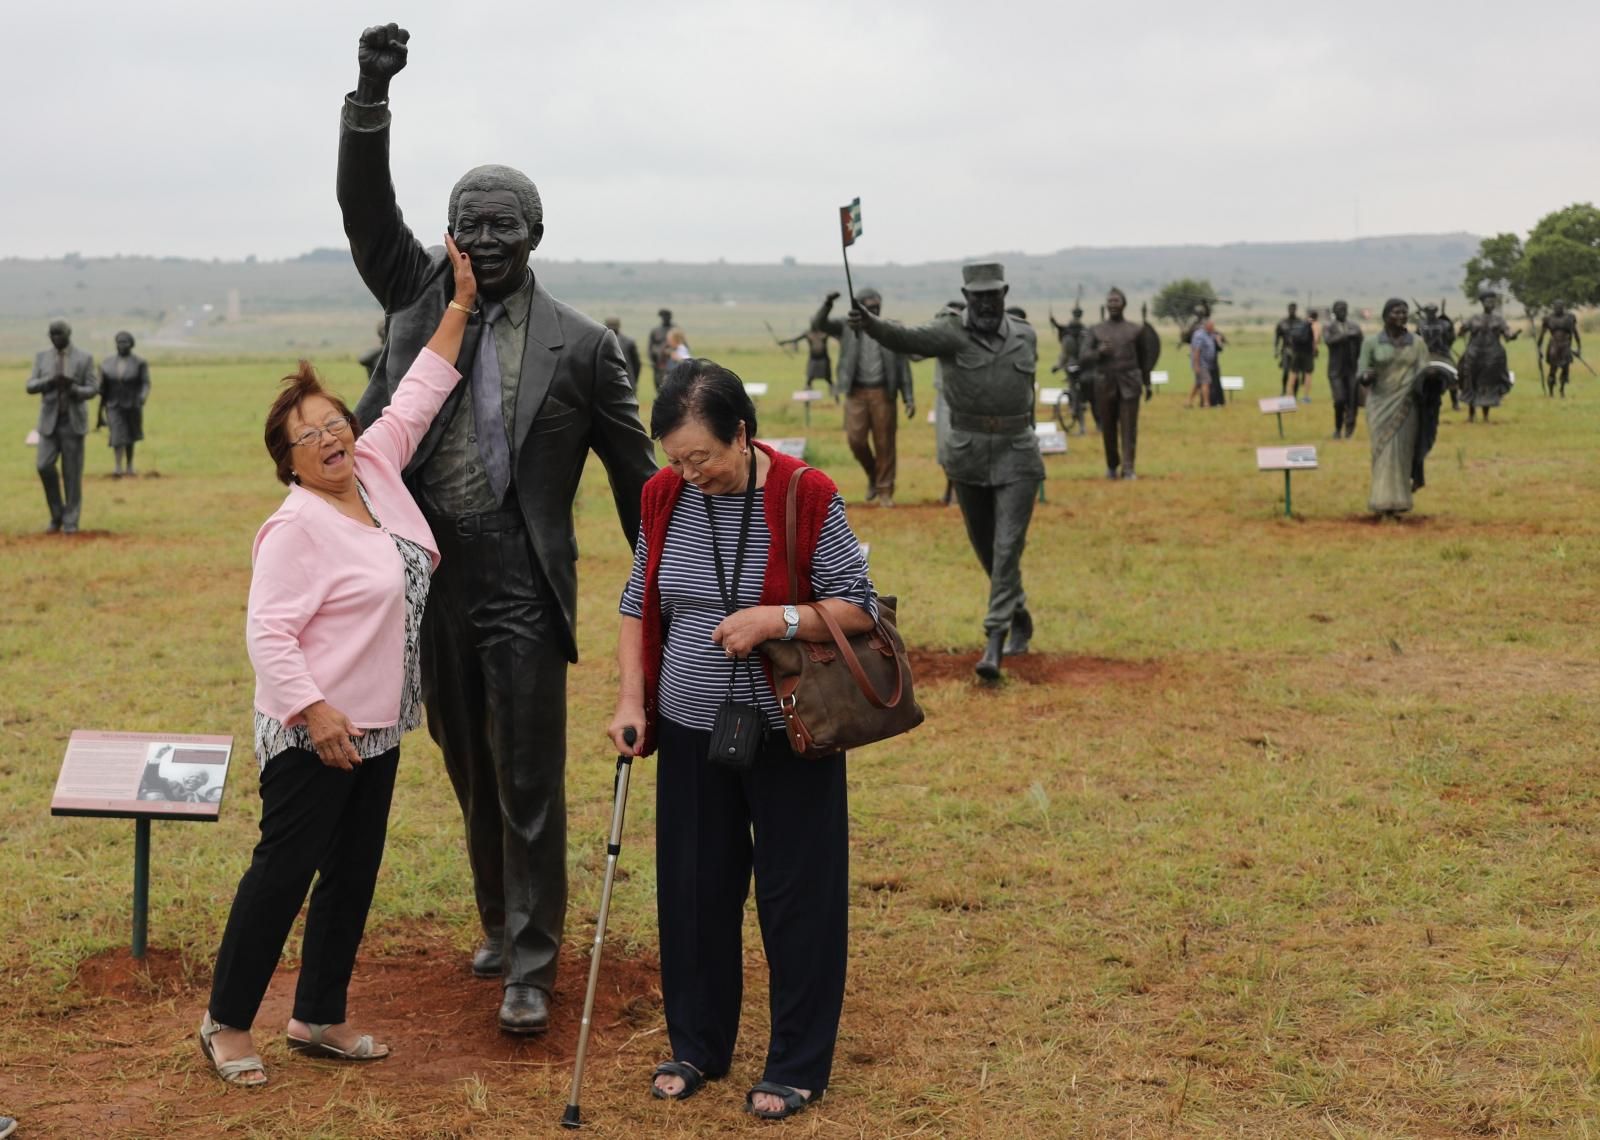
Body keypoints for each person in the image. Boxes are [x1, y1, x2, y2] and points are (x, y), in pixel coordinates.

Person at [338, 23, 656, 1035]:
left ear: (535, 233)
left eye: (502, 227)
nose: (484, 241)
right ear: (447, 234)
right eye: (468, 225)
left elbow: (634, 477)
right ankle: (496, 918)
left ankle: (532, 959)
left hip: (523, 576)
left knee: (526, 772)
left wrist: (660, 581)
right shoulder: (411, 300)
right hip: (430, 577)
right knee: (464, 758)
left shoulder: (585, 349)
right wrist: (369, 94)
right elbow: (361, 207)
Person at [200, 236, 476, 1087]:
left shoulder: (377, 470)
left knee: (353, 874)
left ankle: (318, 1014)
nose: (329, 439)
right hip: (315, 730)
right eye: (307, 436)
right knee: (283, 874)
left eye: (333, 423)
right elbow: (268, 634)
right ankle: (226, 1023)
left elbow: (419, 393)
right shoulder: (296, 525)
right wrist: (314, 715)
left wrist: (460, 302)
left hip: (380, 726)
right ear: (286, 460)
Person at [608, 358, 875, 1120]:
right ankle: (696, 1045)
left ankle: (795, 1063)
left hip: (789, 730)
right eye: (677, 459)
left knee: (798, 896)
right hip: (692, 725)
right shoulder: (663, 496)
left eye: (704, 458)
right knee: (693, 890)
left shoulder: (804, 493)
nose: (691, 474)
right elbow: (638, 600)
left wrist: (777, 619)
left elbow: (858, 607)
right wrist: (633, 698)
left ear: (744, 435)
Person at [849, 262, 1039, 679]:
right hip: (969, 454)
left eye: (994, 295)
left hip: (1018, 454)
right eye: (979, 296)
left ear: (1005, 294)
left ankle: (995, 639)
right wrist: (871, 323)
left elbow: (1028, 396)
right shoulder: (950, 332)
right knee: (986, 546)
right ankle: (1019, 612)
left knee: (1007, 547)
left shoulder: (1025, 335)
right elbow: (904, 337)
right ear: (966, 296)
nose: (987, 303)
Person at [811, 288, 915, 507]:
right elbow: (819, 323)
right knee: (856, 440)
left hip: (882, 393)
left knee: (885, 443)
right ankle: (873, 475)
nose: (873, 311)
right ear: (858, 307)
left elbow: (902, 365)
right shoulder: (847, 326)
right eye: (869, 307)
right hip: (855, 393)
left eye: (877, 307)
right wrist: (827, 303)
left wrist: (908, 397)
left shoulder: (890, 329)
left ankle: (885, 490)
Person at [1357, 298, 1432, 517]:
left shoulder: (1417, 343)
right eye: (1396, 312)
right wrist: (1365, 376)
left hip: (1407, 405)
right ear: (1385, 315)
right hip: (1379, 404)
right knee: (1381, 451)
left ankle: (1400, 500)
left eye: (1404, 313)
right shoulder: (1371, 343)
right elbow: (1361, 372)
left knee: (1401, 452)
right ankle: (1380, 500)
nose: (1400, 316)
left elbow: (1424, 371)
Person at [26, 319, 97, 535]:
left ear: (69, 333)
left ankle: (71, 520)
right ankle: (56, 514)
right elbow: (30, 385)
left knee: (72, 474)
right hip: (48, 423)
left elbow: (93, 388)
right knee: (43, 466)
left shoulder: (84, 358)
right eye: (52, 334)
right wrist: (49, 382)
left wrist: (74, 388)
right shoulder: (41, 357)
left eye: (59, 334)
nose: (55, 338)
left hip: (72, 422)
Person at [1083, 287, 1154, 481]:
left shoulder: (1135, 329)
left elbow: (1144, 359)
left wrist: (1147, 383)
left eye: (1117, 301)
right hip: (1105, 383)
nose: (1113, 304)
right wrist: (1098, 352)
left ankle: (1129, 468)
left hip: (1130, 383)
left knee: (1129, 427)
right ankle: (1112, 465)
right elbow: (1084, 356)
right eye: (1110, 301)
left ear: (1124, 304)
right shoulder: (1096, 330)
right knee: (1108, 427)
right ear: (1106, 305)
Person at [1457, 287, 1518, 422]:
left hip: (1492, 355)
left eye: (1493, 302)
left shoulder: (1499, 320)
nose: (1490, 304)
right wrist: (1461, 329)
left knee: (1488, 384)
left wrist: (1512, 336)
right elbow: (1461, 333)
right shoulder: (1474, 318)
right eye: (1487, 301)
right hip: (1474, 354)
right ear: (1482, 303)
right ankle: (1471, 414)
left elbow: (1507, 334)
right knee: (1470, 382)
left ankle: (1486, 416)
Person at [98, 331, 151, 477]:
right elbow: (101, 386)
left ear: (131, 344)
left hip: (133, 403)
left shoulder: (140, 362)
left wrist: (142, 397)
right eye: (119, 342)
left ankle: (129, 465)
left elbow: (146, 383)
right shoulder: (107, 363)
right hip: (113, 404)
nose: (122, 345)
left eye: (125, 342)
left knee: (130, 435)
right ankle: (117, 466)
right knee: (117, 434)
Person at [1322, 301, 1364, 439]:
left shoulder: (1355, 327)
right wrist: (1346, 336)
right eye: (1339, 309)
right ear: (1334, 311)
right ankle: (1338, 428)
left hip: (1352, 370)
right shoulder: (1329, 327)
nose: (1342, 311)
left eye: (1344, 309)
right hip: (1335, 371)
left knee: (1352, 401)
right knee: (1339, 400)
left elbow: (1361, 346)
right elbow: (1329, 341)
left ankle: (1349, 431)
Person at [1050, 305, 1092, 433]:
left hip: (1073, 367)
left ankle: (1075, 408)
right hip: (1086, 366)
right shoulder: (1086, 332)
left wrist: (1057, 366)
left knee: (1073, 390)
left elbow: (1064, 355)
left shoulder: (1068, 337)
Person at [1416, 302, 1458, 410]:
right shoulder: (1422, 324)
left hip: (1441, 354)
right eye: (1430, 312)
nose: (1431, 314)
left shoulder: (1442, 324)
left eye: (1432, 312)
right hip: (1430, 355)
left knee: (1454, 375)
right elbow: (1416, 340)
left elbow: (1451, 338)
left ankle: (1455, 401)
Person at [1539, 301, 1581, 398]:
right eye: (1556, 307)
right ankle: (1551, 392)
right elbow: (1542, 334)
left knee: (1565, 369)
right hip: (1554, 344)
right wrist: (1539, 349)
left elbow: (1575, 333)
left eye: (1560, 307)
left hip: (1565, 345)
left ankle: (1562, 390)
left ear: (1563, 307)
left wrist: (1579, 348)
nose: (1557, 309)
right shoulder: (1549, 319)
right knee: (1553, 368)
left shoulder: (1569, 318)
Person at [1274, 302, 1315, 401]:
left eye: (1293, 309)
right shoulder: (1282, 322)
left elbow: (1311, 338)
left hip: (1297, 351)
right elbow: (1277, 337)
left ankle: (1294, 394)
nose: (1291, 310)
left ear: (1296, 309)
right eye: (1290, 309)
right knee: (1286, 372)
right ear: (1287, 309)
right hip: (1286, 349)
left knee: (1296, 373)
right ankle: (1285, 391)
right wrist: (1275, 350)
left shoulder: (1300, 322)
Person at [778, 327, 834, 395]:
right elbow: (795, 339)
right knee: (809, 380)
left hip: (824, 360)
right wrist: (784, 342)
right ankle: (807, 399)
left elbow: (836, 335)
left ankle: (836, 397)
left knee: (828, 379)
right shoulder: (808, 333)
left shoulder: (824, 332)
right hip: (813, 360)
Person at [604, 317, 643, 392]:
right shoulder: (629, 341)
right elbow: (637, 365)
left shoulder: (602, 342)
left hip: (611, 383)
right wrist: (634, 380)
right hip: (628, 381)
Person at [1187, 319, 1217, 409]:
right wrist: (1196, 365)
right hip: (1201, 363)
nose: (1213, 328)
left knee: (1198, 383)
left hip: (1206, 363)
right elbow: (1196, 350)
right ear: (1207, 326)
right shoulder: (1199, 335)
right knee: (1206, 382)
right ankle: (1206, 404)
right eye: (1212, 326)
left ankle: (1188, 402)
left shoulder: (1209, 334)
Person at [648, 308, 677, 391]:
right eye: (663, 317)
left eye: (667, 317)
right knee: (659, 386)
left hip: (672, 364)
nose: (665, 319)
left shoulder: (675, 330)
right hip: (658, 364)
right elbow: (650, 347)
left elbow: (682, 346)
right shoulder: (655, 331)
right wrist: (652, 360)